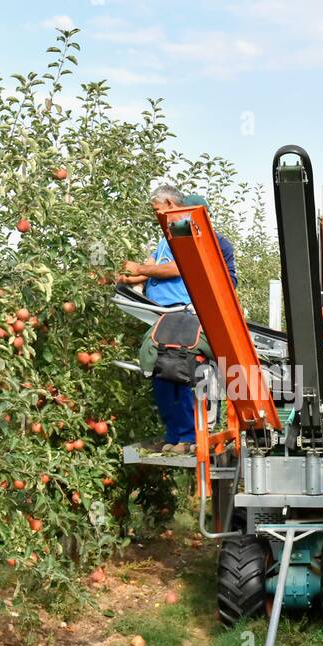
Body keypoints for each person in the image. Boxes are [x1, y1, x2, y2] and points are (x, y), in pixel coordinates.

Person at [120, 186, 237, 453]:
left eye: (159, 209)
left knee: (180, 368)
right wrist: (126, 276)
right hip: (162, 315)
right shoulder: (166, 238)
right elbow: (149, 267)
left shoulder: (199, 237)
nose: (157, 215)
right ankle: (175, 434)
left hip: (185, 314)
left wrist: (140, 269)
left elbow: (181, 267)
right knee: (157, 367)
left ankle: (190, 436)